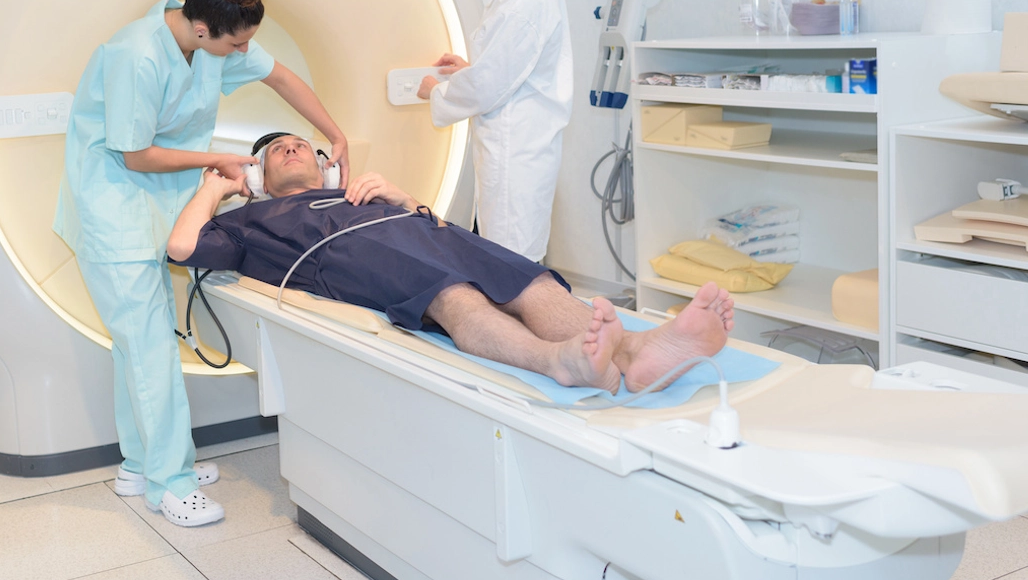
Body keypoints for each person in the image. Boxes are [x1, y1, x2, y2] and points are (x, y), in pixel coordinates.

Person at [53, 0, 349, 529]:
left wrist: (334, 133)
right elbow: (135, 154)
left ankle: (140, 465)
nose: (243, 55)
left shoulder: (213, 41)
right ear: (201, 27)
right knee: (151, 353)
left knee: (141, 346)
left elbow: (281, 76)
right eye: (235, 45)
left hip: (159, 210)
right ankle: (172, 482)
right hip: (113, 211)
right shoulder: (136, 55)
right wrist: (218, 160)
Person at [167, 134, 734, 395]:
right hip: (348, 259)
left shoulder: (359, 192)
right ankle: (559, 361)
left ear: (326, 168)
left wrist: (401, 196)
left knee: (522, 277)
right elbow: (182, 250)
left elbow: (427, 222)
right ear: (262, 179)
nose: (292, 150)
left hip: (417, 229)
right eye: (276, 151)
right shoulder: (254, 221)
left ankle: (641, 352)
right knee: (452, 292)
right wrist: (214, 190)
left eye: (301, 146)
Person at [417, 0, 573, 263]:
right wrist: (471, 69)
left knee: (511, 262)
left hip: (516, 149)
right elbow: (509, 69)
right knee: (508, 255)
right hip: (513, 140)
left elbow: (487, 87)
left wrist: (434, 92)